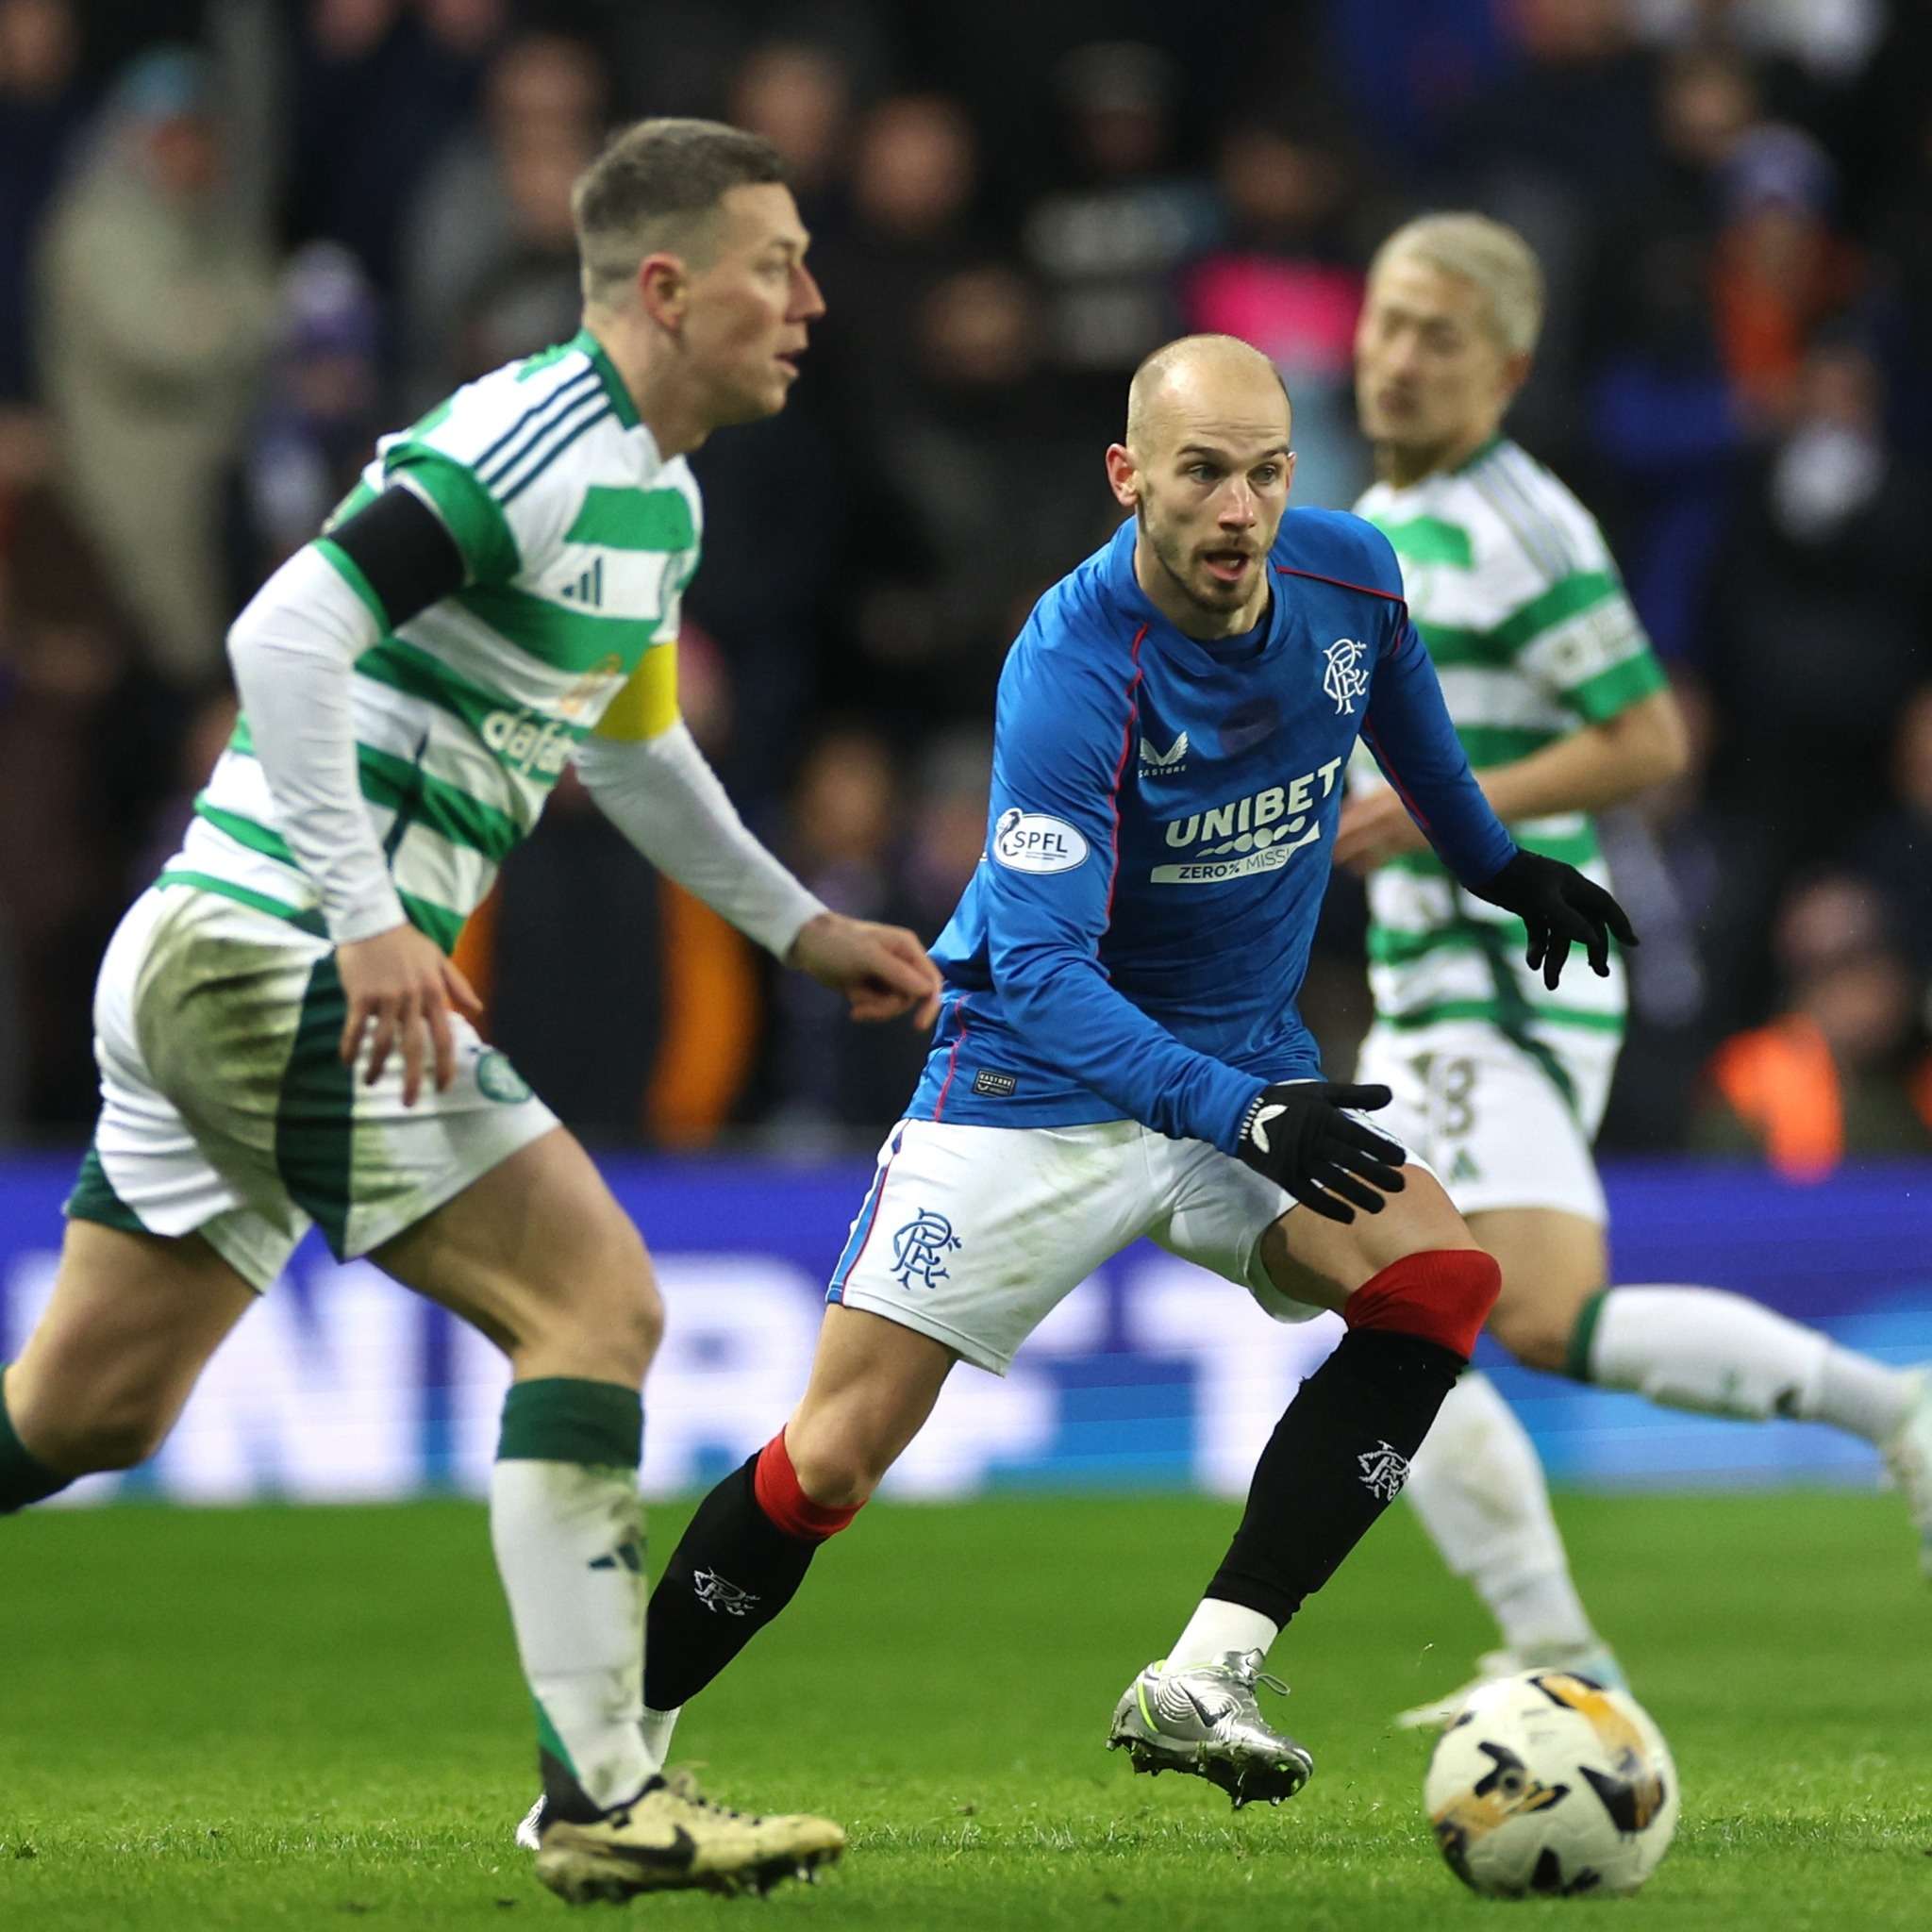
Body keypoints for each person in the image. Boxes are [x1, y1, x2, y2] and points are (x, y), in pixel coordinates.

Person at [0, 117, 946, 1905]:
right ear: (665, 288)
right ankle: (603, 1796)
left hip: (218, 952)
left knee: (84, 1416)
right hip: (273, 951)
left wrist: (799, 923)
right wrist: (365, 924)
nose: (812, 300)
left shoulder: (656, 494)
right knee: (595, 1301)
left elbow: (635, 746)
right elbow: (284, 633)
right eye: (777, 264)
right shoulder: (531, 439)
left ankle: (600, 1790)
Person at [596, 330, 1633, 1818]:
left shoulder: (1350, 575)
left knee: (1438, 1282)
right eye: (1201, 473)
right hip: (1038, 1085)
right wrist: (1241, 1108)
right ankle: (601, 1764)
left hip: (1237, 1073)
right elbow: (1047, 979)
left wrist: (1499, 862)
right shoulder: (1074, 667)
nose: (1237, 511)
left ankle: (1208, 1670)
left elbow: (1401, 710)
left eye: (1265, 474)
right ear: (1127, 475)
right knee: (831, 1459)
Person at [1332, 212, 1932, 1726]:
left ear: (1511, 367)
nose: (1400, 358)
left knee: (1451, 1307)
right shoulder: (1377, 516)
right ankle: (1579, 1637)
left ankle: (1877, 1429)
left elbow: (1652, 737)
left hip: (1505, 963)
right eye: (1389, 322)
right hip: (1436, 966)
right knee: (1481, 1317)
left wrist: (1426, 811)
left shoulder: (1521, 522)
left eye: (1441, 337)